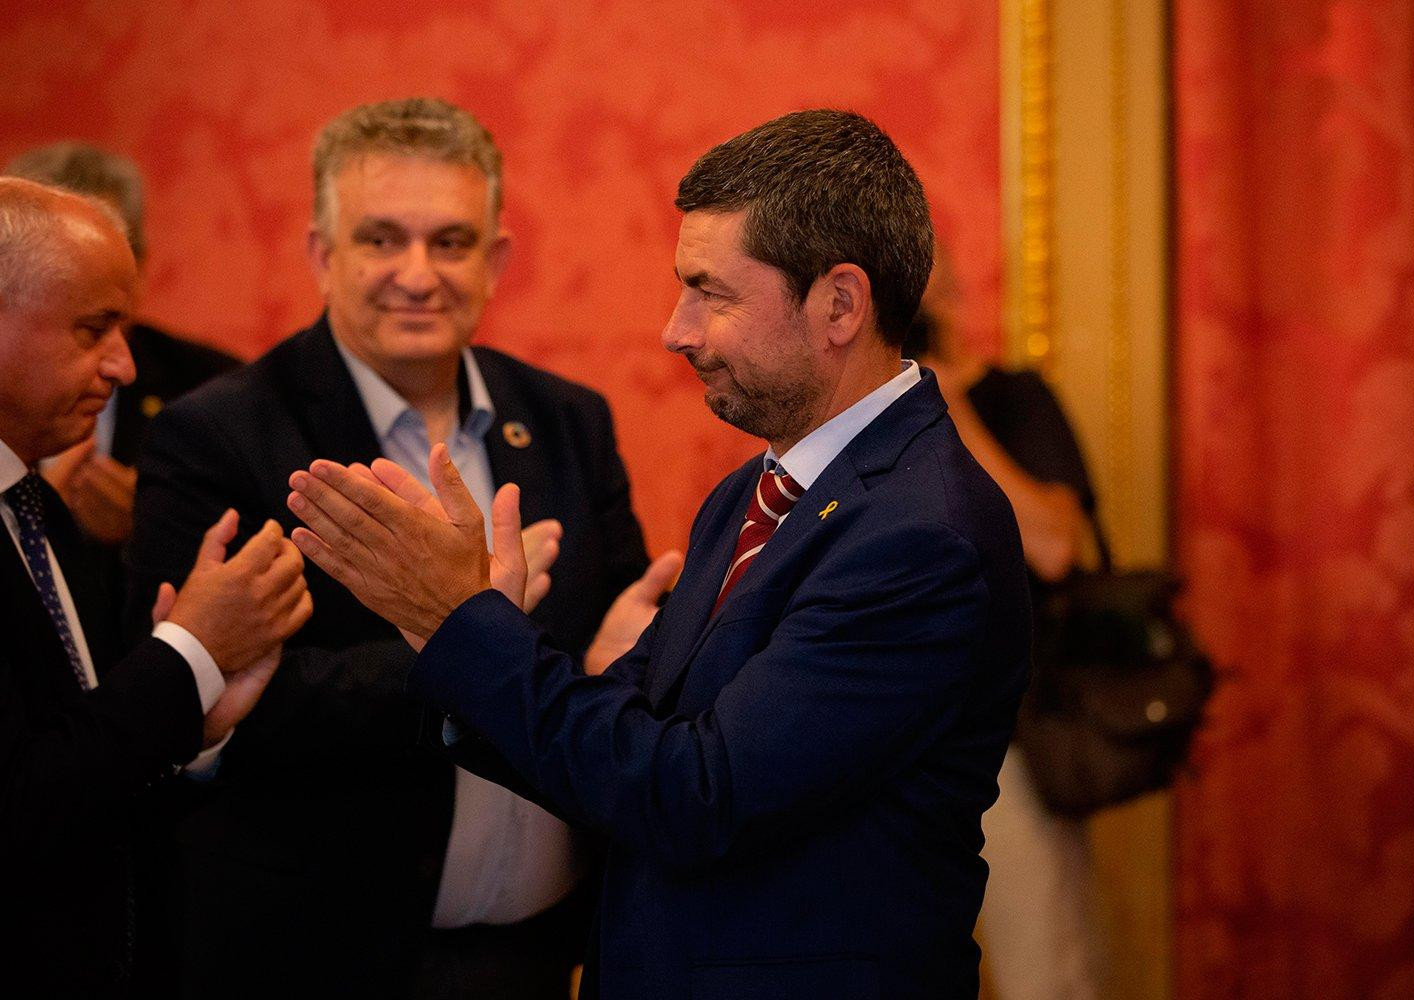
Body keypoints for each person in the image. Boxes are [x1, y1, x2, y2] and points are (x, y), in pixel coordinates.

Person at [287, 109, 1033, 1000]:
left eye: (711, 294)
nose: (675, 331)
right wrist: (460, 635)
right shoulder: (753, 492)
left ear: (840, 304)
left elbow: (694, 797)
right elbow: (625, 735)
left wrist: (461, 623)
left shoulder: (920, 537)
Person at [127, 98, 669, 998]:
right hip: (320, 960)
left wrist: (632, 656)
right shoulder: (215, 437)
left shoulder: (571, 421)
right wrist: (468, 638)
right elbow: (205, 700)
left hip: (548, 952)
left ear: (495, 262)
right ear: (320, 254)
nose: (418, 275)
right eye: (381, 240)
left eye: (451, 243)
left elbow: (600, 655)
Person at [0, 178, 311, 997]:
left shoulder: (38, 512)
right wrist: (190, 651)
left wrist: (197, 725)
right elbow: (19, 802)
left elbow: (88, 778)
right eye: (93, 328)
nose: (125, 365)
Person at [907, 261, 1102, 1000]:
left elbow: (1056, 547)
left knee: (1044, 972)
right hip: (881, 730)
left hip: (1007, 738)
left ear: (957, 297)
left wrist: (951, 408)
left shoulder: (1014, 402)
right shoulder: (858, 418)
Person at [4, 143, 237, 582]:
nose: (121, 368)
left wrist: (146, 530)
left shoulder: (213, 389)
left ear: (138, 263)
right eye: (62, 264)